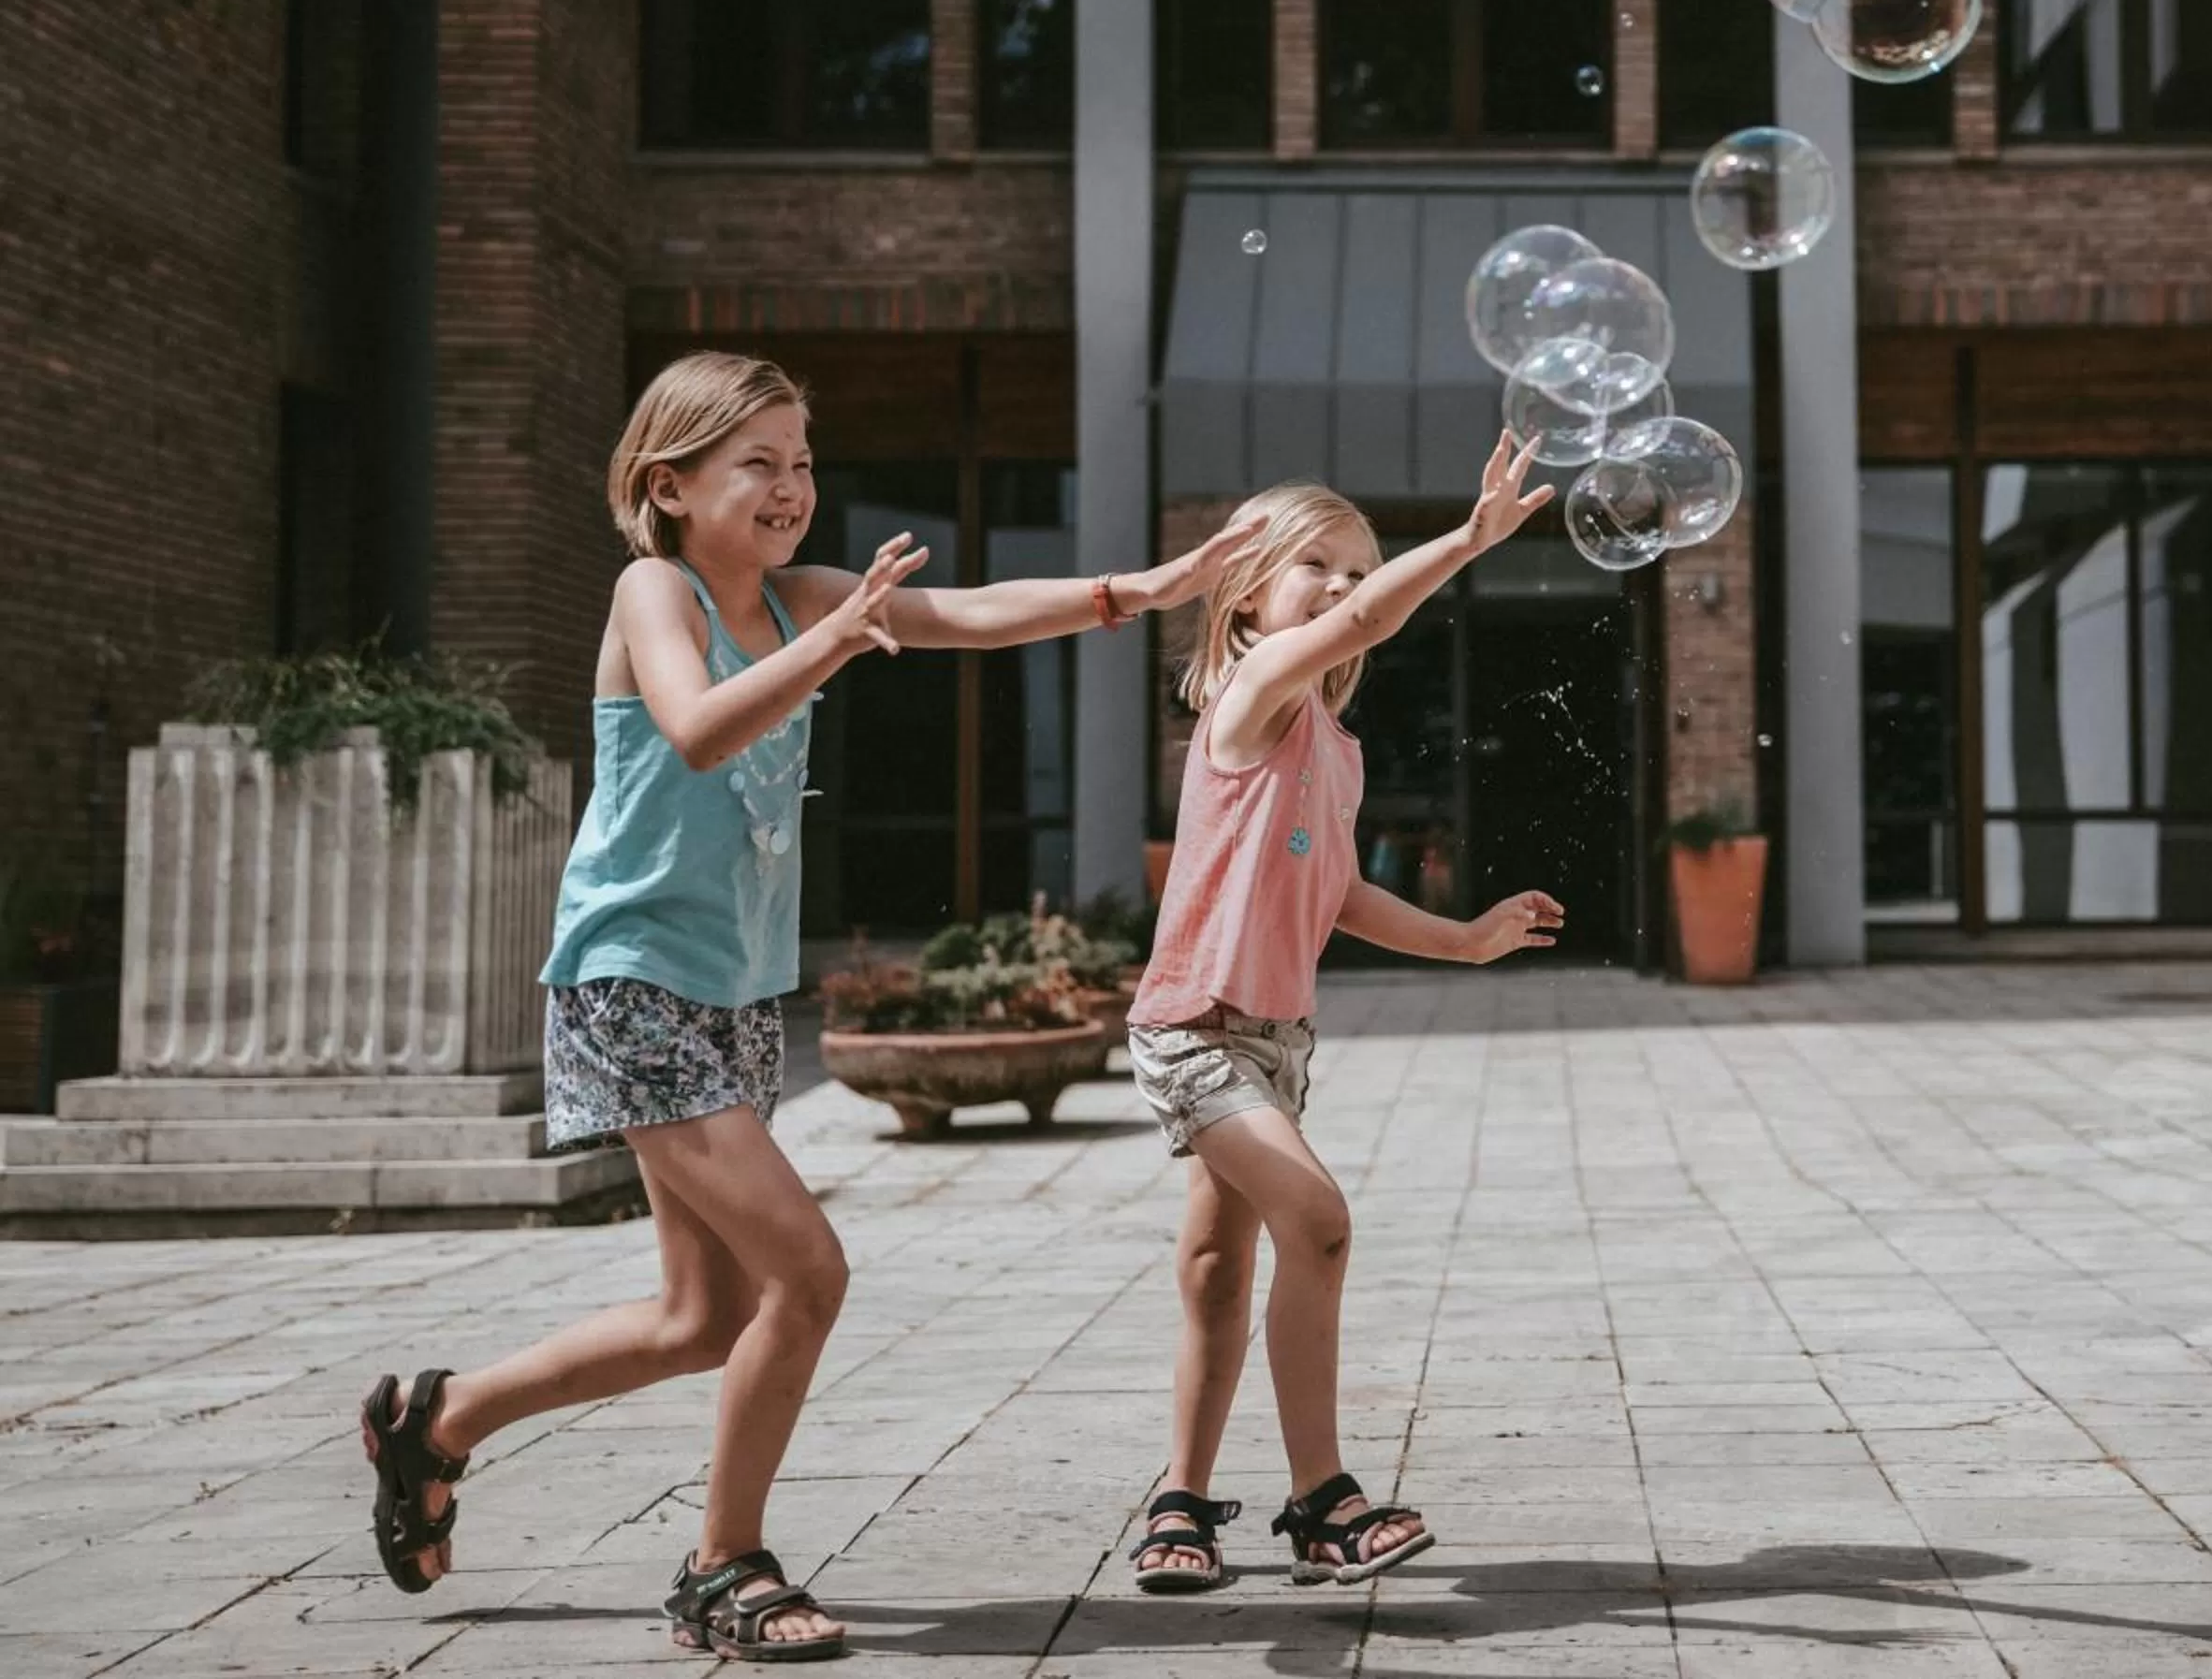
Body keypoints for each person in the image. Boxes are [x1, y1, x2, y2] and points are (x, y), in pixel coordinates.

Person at [359, 350, 1259, 1661]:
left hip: (727, 995)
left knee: (703, 1317)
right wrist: (842, 636)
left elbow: (974, 611)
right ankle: (725, 1564)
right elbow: (697, 727)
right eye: (759, 463)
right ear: (668, 484)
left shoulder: (802, 599)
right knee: (810, 1272)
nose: (793, 486)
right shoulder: (653, 587)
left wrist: (1141, 588)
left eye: (804, 460)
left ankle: (437, 1420)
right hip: (633, 983)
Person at [1123, 435, 1565, 1593]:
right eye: (1315, 563)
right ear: (1247, 601)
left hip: (1274, 1040)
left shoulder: (1337, 748)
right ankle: (1322, 1501)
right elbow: (1365, 625)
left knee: (1219, 1266)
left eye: (1352, 564)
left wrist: (1465, 938)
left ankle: (1179, 1504)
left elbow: (1344, 896)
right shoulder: (1250, 697)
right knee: (1317, 1221)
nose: (1339, 584)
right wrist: (1468, 541)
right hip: (1196, 1030)